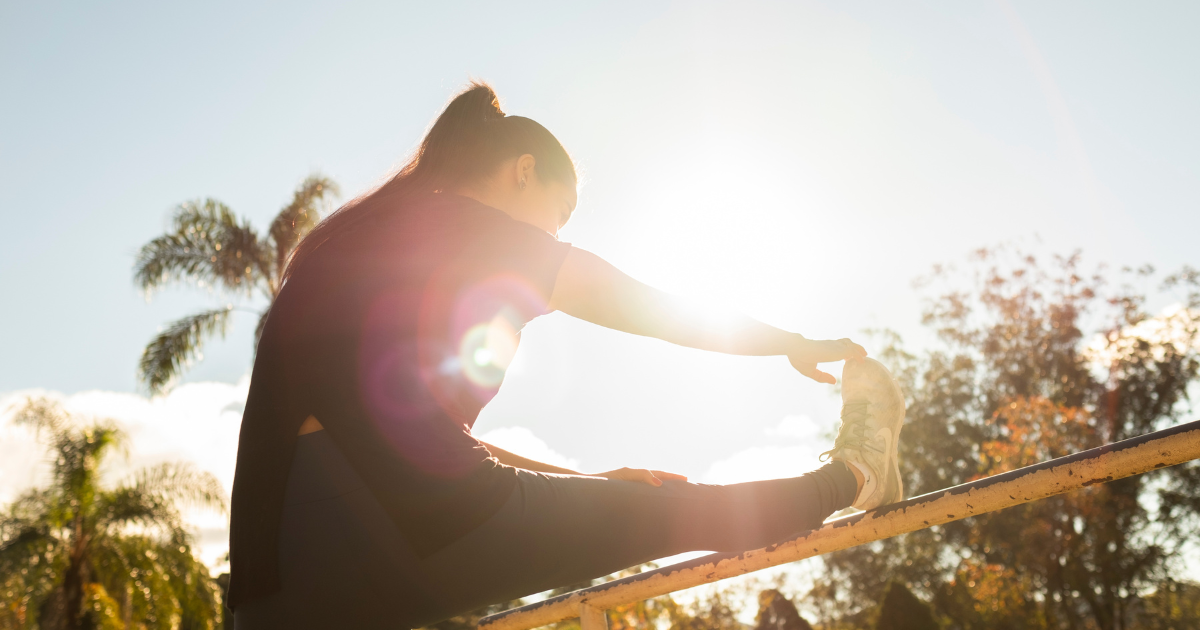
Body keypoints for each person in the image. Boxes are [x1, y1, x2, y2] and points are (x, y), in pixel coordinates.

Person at [228, 82, 905, 629]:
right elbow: (651, 309)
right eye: (560, 213)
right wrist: (786, 342)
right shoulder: (480, 230)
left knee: (636, 503)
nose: (555, 236)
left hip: (273, 590)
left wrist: (589, 484)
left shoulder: (355, 244)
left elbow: (416, 443)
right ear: (524, 173)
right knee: (687, 510)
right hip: (402, 527)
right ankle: (858, 475)